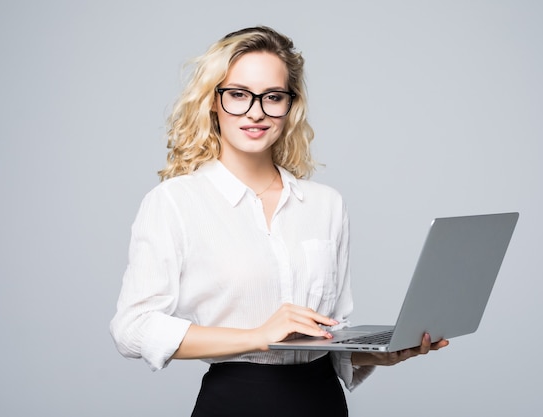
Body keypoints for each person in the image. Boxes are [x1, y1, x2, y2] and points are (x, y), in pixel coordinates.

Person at [110, 26, 448, 417]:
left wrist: (376, 354)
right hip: (238, 401)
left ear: (290, 106)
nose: (256, 111)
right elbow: (132, 329)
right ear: (212, 102)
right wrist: (256, 337)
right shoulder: (174, 203)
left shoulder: (326, 204)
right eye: (237, 95)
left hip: (321, 401)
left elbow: (330, 334)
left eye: (273, 97)